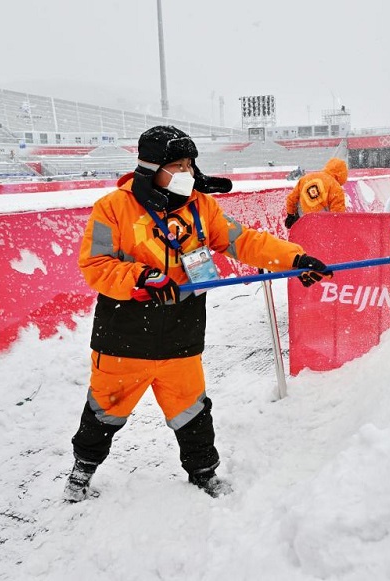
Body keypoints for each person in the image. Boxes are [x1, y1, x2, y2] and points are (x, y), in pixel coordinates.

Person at [64, 125, 333, 502]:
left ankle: (204, 472)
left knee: (192, 411)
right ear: (151, 167)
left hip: (181, 334)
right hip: (123, 337)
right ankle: (81, 471)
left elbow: (244, 241)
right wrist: (142, 277)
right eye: (177, 165)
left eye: (190, 164)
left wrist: (294, 258)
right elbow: (95, 264)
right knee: (103, 411)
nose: (186, 173)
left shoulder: (202, 207)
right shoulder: (113, 208)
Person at [284, 158, 348, 229]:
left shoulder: (305, 178)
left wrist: (290, 214)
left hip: (303, 222)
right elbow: (337, 213)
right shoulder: (335, 187)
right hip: (322, 226)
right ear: (342, 174)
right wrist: (337, 227)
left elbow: (292, 198)